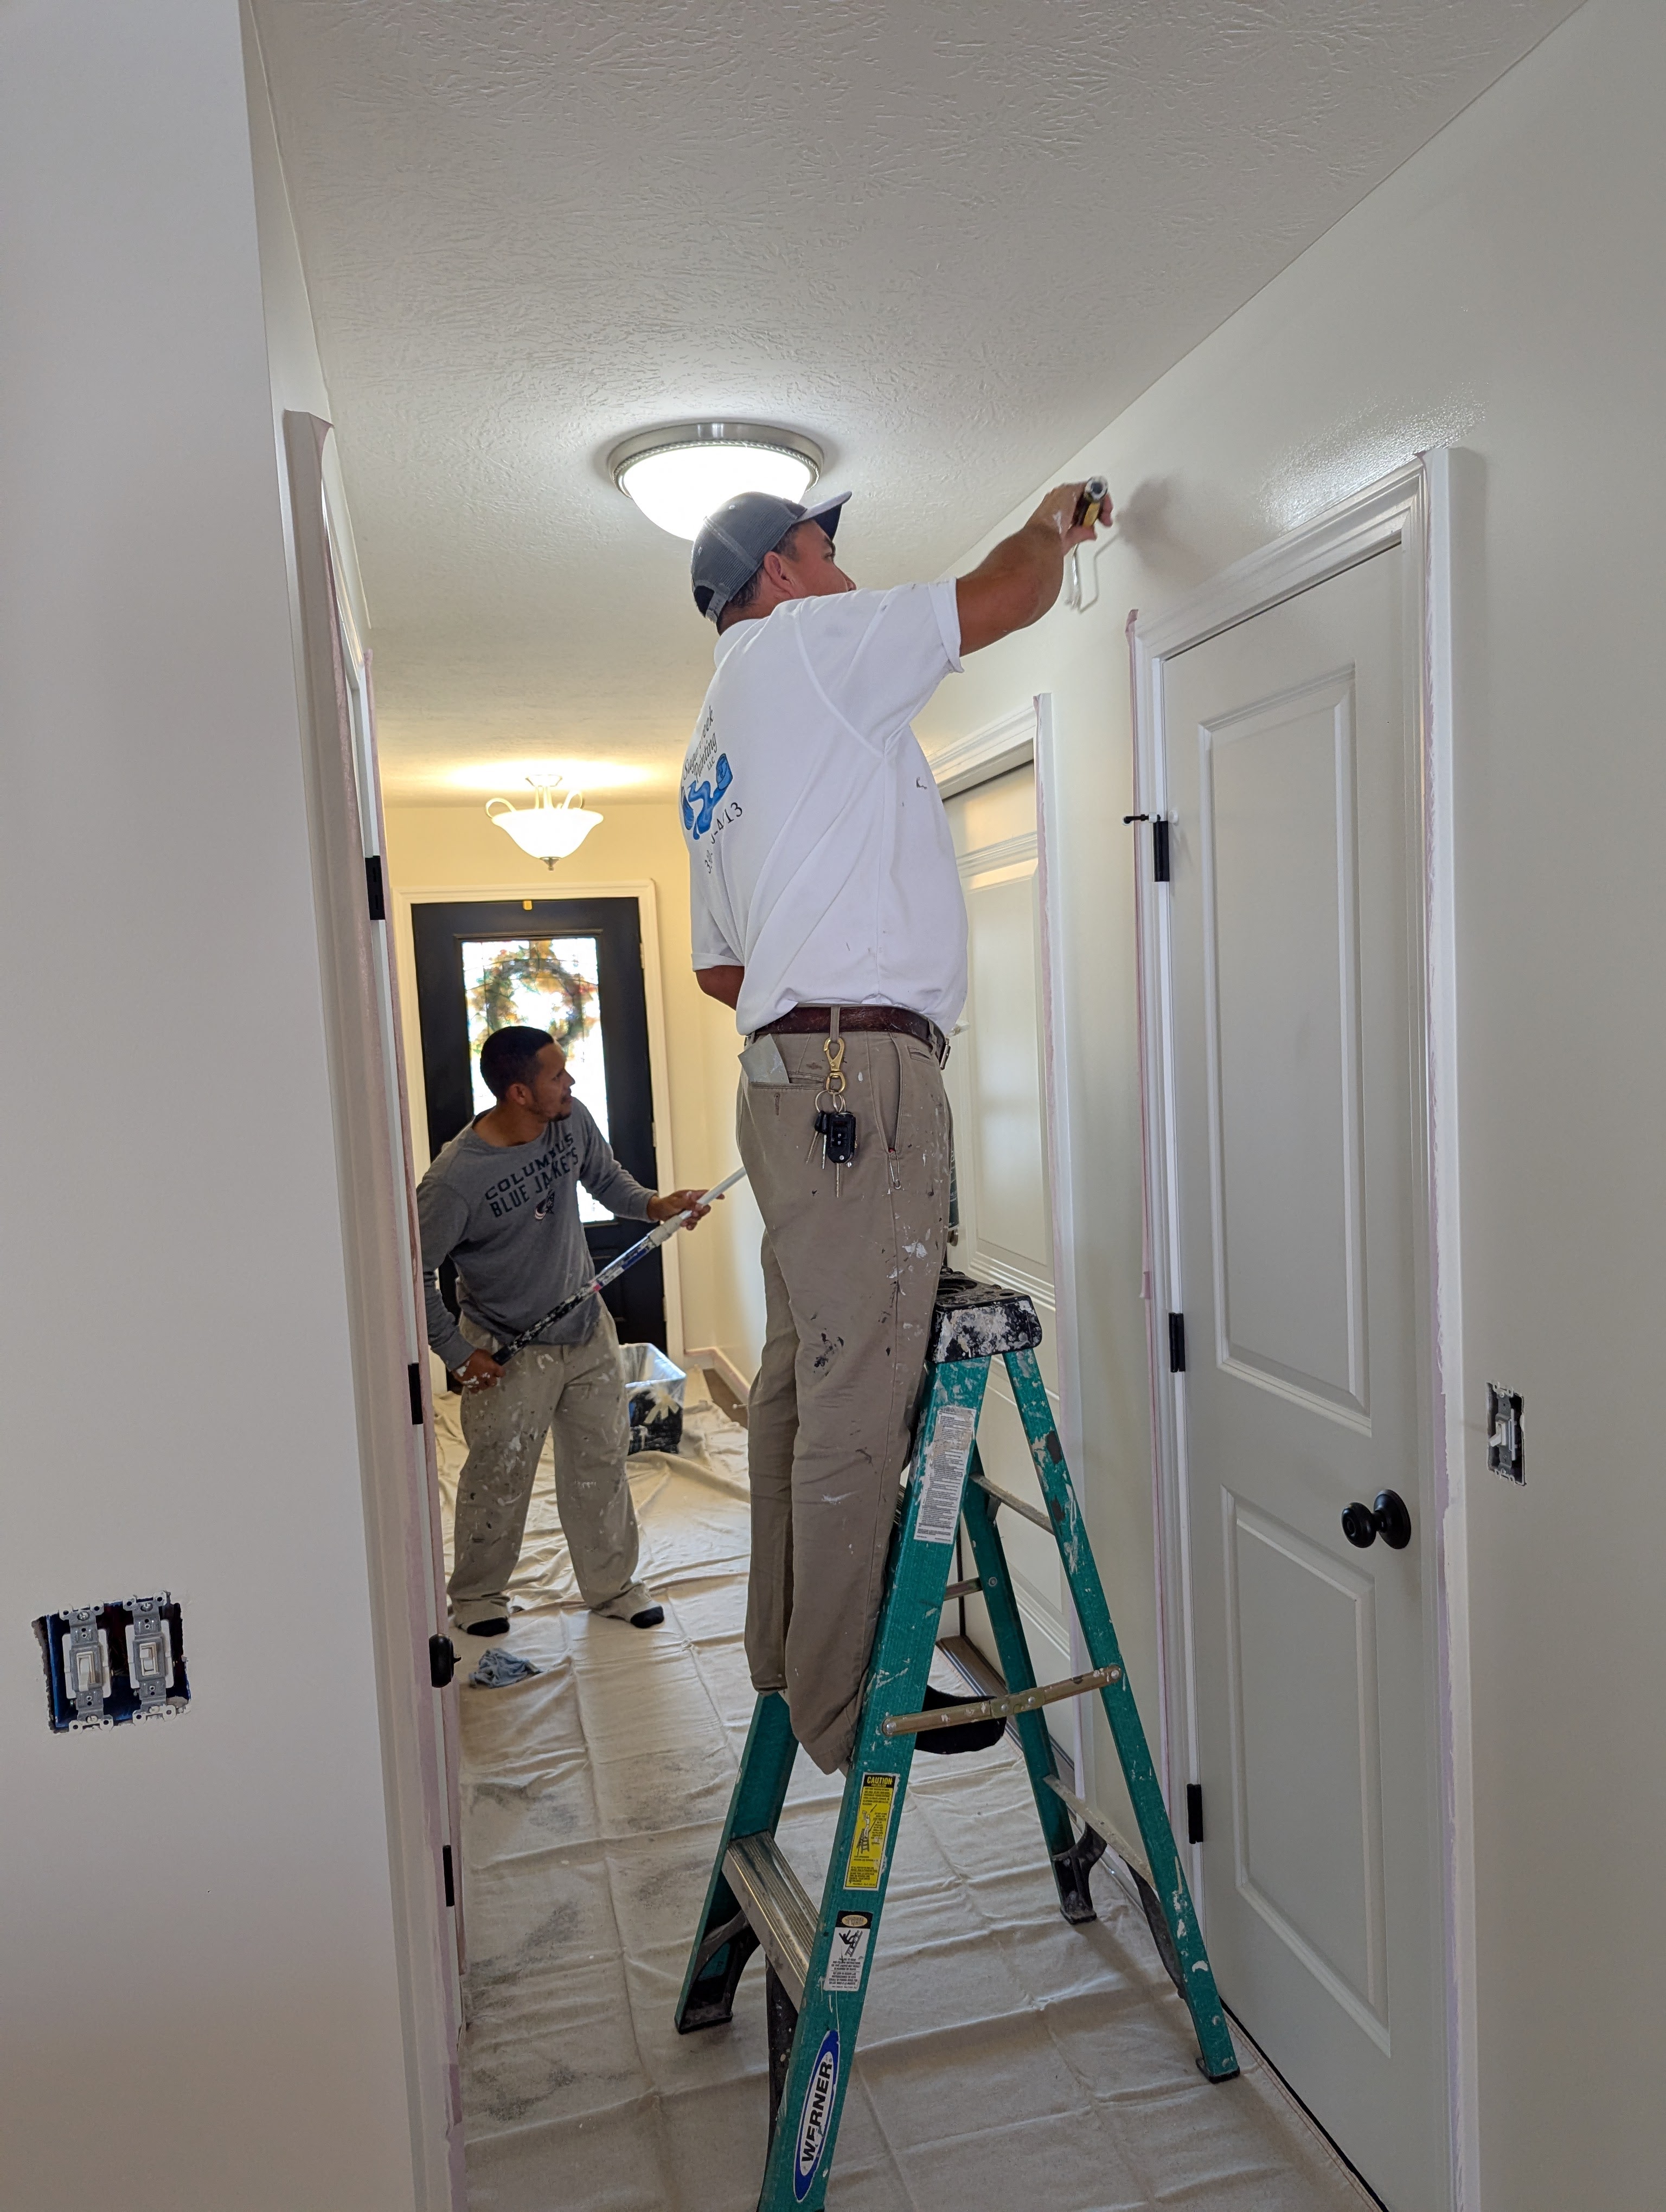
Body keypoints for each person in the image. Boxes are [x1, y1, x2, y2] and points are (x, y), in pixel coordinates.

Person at [679, 477, 1111, 1771]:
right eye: (826, 547)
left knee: (803, 1376)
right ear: (777, 570)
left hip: (787, 1077)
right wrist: (1052, 521)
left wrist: (817, 1002)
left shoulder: (709, 745)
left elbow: (721, 968)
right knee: (864, 1387)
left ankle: (786, 1652)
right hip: (853, 1080)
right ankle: (841, 1700)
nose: (844, 571)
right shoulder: (806, 646)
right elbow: (1007, 594)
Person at [417, 1023, 714, 1638]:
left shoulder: (570, 1120)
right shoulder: (453, 1182)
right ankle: (477, 1597)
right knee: (499, 1473)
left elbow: (606, 1179)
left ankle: (612, 1587)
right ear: (520, 1093)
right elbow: (411, 1272)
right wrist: (457, 1352)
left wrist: (656, 1204)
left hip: (586, 1328)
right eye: (557, 1075)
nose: (571, 1082)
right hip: (505, 1345)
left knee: (600, 1461)